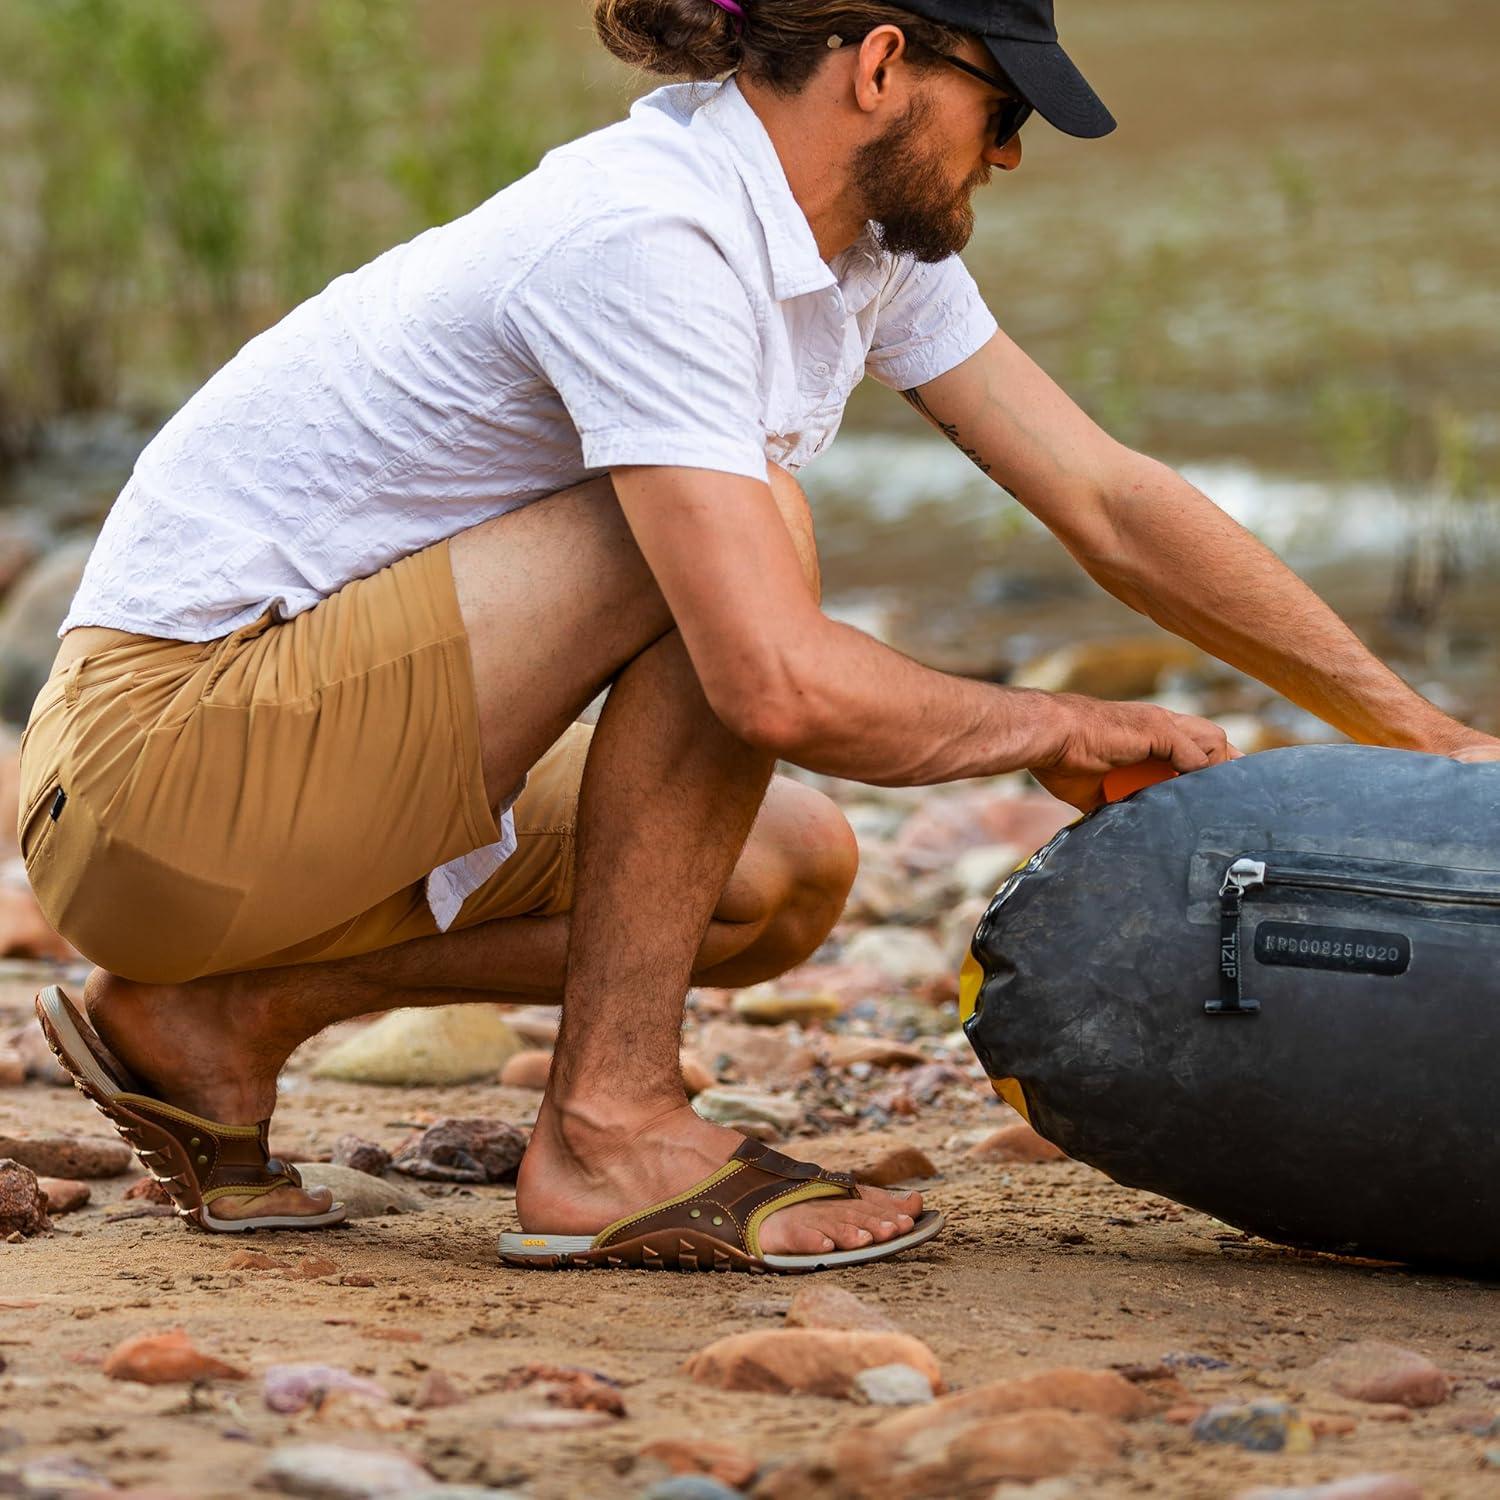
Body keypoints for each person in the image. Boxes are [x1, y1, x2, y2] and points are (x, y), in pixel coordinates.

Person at [21, 0, 1500, 1271]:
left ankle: (222, 1016)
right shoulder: (646, 231)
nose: (1010, 152)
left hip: (283, 787)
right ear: (877, 68)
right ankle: (606, 1134)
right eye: (996, 106)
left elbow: (1108, 501)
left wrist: (1418, 732)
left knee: (775, 879)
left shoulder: (859, 249)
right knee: (743, 536)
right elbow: (771, 679)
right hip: (165, 777)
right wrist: (1062, 723)